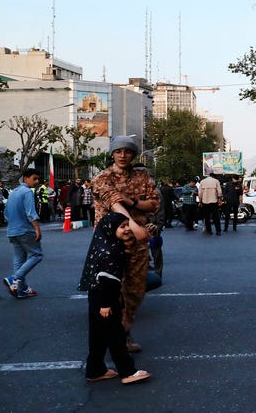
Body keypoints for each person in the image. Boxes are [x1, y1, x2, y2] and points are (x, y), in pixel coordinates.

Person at [92, 135, 160, 354]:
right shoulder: (103, 177)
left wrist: (132, 202)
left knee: (135, 290)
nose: (123, 155)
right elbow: (112, 201)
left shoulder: (142, 176)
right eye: (118, 151)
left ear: (133, 155)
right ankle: (114, 336)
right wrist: (132, 222)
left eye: (128, 151)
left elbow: (154, 204)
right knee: (111, 290)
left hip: (137, 244)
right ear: (112, 154)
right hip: (110, 243)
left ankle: (124, 329)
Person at [79, 212, 151, 385]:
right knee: (115, 334)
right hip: (105, 296)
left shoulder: (105, 243)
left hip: (97, 294)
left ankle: (95, 369)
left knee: (98, 335)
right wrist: (106, 304)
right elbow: (106, 279)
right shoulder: (111, 251)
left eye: (127, 225)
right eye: (122, 226)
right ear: (111, 229)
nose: (127, 229)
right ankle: (127, 371)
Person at [4, 169, 43, 298]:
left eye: (38, 179)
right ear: (26, 178)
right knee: (37, 255)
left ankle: (21, 288)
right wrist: (37, 228)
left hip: (12, 230)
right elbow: (31, 212)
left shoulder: (13, 192)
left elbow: (6, 214)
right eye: (34, 178)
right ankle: (14, 278)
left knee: (19, 260)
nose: (37, 182)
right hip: (25, 230)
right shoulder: (27, 192)